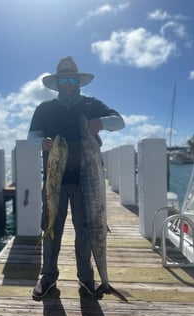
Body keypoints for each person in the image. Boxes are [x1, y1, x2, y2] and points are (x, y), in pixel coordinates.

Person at [28, 56, 125, 299]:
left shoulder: (91, 105)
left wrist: (100, 122)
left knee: (85, 231)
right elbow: (31, 138)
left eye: (72, 79)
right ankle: (48, 276)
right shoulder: (45, 109)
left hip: (86, 183)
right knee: (50, 228)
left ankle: (86, 278)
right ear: (58, 83)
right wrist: (43, 143)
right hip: (54, 181)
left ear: (78, 81)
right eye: (63, 80)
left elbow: (120, 122)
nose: (68, 83)